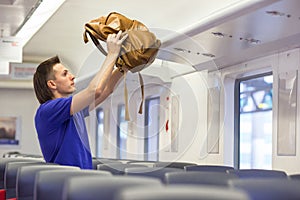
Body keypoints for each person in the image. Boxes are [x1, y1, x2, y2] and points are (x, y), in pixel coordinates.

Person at [33, 31, 128, 169]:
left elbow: (106, 90)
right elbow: (95, 91)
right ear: (52, 84)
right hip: (65, 183)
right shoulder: (47, 111)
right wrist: (112, 54)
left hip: (83, 179)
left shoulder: (73, 110)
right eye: (65, 74)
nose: (72, 76)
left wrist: (124, 67)